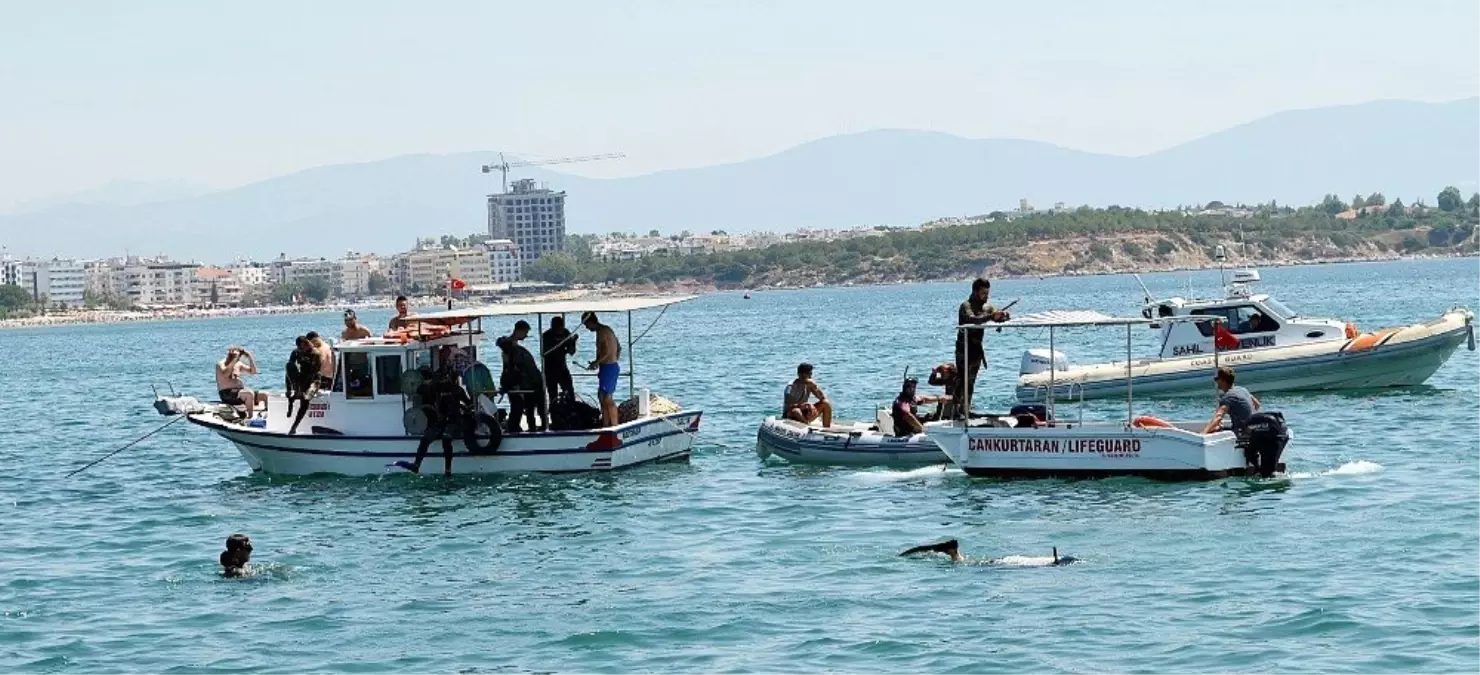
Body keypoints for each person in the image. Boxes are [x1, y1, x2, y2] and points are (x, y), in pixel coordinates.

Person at [396, 360, 471, 476]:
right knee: (425, 439)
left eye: (446, 377)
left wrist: (466, 415)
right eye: (442, 378)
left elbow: (469, 404)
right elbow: (419, 390)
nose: (445, 380)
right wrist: (429, 383)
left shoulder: (457, 390)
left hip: (454, 422)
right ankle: (416, 465)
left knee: (446, 438)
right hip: (441, 422)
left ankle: (448, 470)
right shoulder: (435, 389)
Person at [954, 278, 1010, 418]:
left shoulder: (987, 307)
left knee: (971, 382)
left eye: (987, 293)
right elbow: (973, 319)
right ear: (975, 292)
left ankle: (966, 410)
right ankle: (955, 411)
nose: (986, 296)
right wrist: (991, 316)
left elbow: (996, 316)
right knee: (963, 380)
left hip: (977, 350)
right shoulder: (966, 306)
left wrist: (1003, 316)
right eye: (984, 293)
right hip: (964, 349)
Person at [497, 321, 546, 433]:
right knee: (520, 407)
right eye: (525, 332)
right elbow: (509, 367)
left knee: (525, 407)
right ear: (519, 330)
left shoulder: (516, 348)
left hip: (528, 380)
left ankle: (529, 428)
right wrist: (515, 384)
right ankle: (519, 429)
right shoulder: (509, 347)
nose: (526, 336)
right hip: (519, 381)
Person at [582, 311, 621, 428]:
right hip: (609, 366)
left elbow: (607, 351)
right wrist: (610, 360)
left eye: (586, 325)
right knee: (601, 395)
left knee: (607, 397)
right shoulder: (607, 330)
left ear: (590, 322)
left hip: (609, 367)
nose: (587, 328)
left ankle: (614, 425)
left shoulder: (602, 332)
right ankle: (605, 423)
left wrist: (596, 362)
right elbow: (618, 348)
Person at [1202, 367, 1260, 435]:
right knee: (1217, 428)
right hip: (1253, 429)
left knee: (1212, 432)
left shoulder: (1228, 397)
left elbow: (1218, 417)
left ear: (1223, 380)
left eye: (1216, 379)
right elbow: (1257, 404)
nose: (1216, 381)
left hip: (1242, 433)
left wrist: (1203, 434)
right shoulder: (1242, 389)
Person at [216, 346, 267, 418]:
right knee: (249, 393)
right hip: (227, 394)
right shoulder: (221, 364)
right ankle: (250, 418)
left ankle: (267, 416)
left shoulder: (239, 364)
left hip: (240, 393)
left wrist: (249, 356)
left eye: (239, 356)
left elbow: (253, 371)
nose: (238, 357)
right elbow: (225, 374)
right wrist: (234, 359)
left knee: (265, 395)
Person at [285, 335, 322, 433]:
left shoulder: (315, 354)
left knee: (305, 399)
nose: (301, 350)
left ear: (307, 344)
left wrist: (303, 389)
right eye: (299, 348)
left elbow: (313, 373)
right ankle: (293, 397)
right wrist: (288, 388)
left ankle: (294, 427)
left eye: (303, 347)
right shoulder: (296, 352)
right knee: (289, 365)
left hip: (314, 380)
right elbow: (289, 370)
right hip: (301, 377)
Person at [541, 316, 578, 405]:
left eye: (561, 328)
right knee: (553, 396)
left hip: (562, 369)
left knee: (570, 393)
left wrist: (573, 342)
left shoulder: (565, 333)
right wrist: (562, 349)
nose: (559, 330)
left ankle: (572, 413)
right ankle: (554, 415)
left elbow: (572, 352)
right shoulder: (546, 336)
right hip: (550, 370)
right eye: (557, 328)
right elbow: (547, 352)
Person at [783, 362, 833, 427]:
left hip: (805, 412)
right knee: (796, 411)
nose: (810, 377)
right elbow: (789, 406)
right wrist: (805, 405)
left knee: (826, 403)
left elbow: (822, 398)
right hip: (791, 414)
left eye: (810, 374)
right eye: (808, 374)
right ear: (800, 374)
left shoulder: (809, 384)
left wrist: (815, 387)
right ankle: (807, 425)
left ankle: (826, 429)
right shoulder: (790, 387)